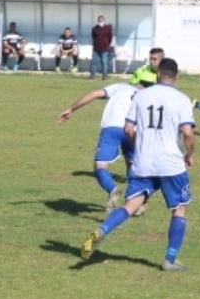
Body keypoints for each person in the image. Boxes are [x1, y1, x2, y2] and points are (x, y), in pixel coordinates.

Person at [80, 58, 196, 272]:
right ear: (176, 76)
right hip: (171, 163)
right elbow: (188, 133)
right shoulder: (181, 99)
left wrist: (140, 146)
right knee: (179, 209)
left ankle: (102, 230)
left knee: (131, 206)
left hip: (143, 162)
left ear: (158, 74)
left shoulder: (140, 96)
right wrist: (189, 154)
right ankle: (170, 259)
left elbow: (128, 129)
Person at [56, 80, 148, 217]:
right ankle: (135, 204)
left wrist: (71, 109)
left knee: (100, 167)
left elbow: (93, 94)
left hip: (112, 128)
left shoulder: (120, 87)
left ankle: (113, 189)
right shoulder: (148, 95)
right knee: (132, 165)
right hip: (133, 130)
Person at [90, 15, 114, 81]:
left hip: (104, 49)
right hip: (96, 49)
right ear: (97, 20)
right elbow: (93, 37)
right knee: (94, 63)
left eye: (102, 20)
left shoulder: (108, 28)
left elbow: (110, 37)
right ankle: (92, 76)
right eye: (99, 20)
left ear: (104, 20)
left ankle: (104, 77)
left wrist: (107, 44)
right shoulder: (94, 28)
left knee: (104, 63)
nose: (100, 21)